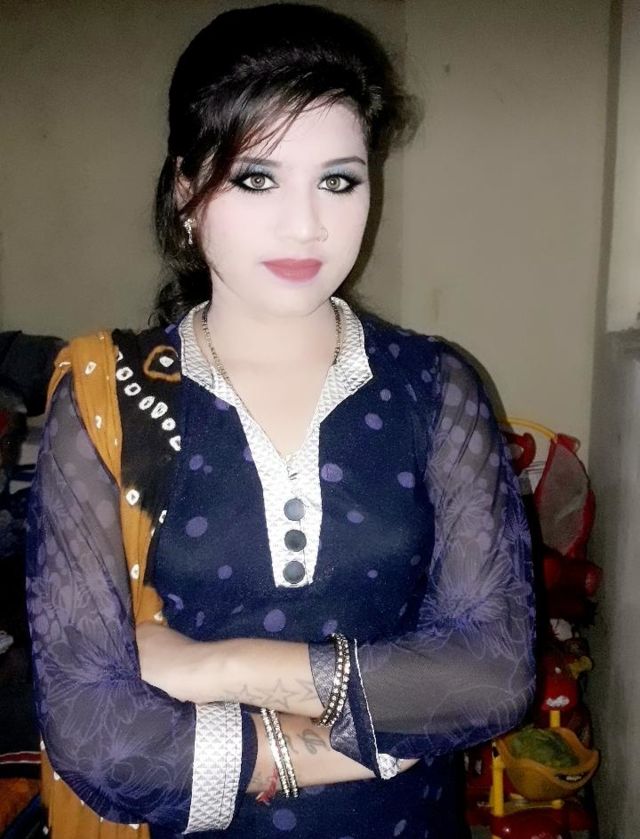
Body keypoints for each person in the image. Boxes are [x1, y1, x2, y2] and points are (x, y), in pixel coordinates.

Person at [26, 4, 536, 838]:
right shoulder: (104, 396)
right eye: (257, 178)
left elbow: (493, 672)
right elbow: (95, 727)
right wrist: (370, 741)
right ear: (186, 190)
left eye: (339, 180)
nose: (306, 225)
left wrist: (216, 665)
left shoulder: (434, 386)